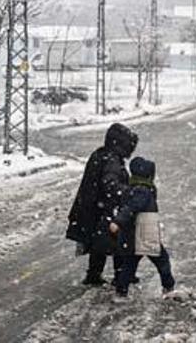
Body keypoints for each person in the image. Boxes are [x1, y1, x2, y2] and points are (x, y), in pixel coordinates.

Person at [66, 123, 139, 286]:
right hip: (105, 209)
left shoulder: (101, 154)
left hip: (93, 209)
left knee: (98, 243)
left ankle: (94, 275)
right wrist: (128, 191)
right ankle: (121, 276)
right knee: (120, 242)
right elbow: (110, 185)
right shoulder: (112, 160)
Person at [111, 156, 176, 301]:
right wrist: (118, 221)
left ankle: (121, 292)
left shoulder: (132, 189)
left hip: (132, 236)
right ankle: (168, 287)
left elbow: (126, 207)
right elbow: (131, 208)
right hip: (145, 234)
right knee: (162, 260)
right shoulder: (143, 191)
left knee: (129, 265)